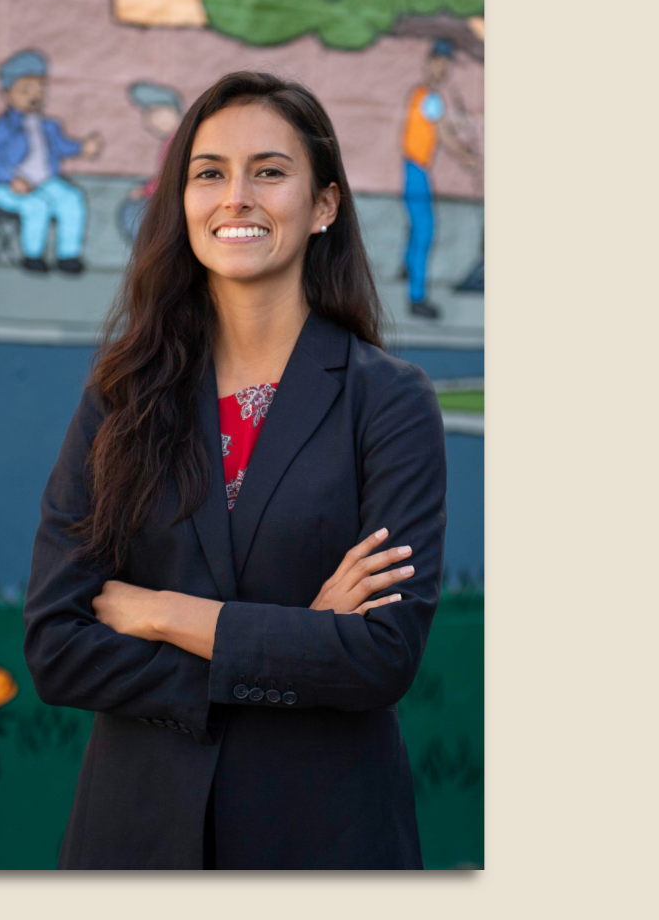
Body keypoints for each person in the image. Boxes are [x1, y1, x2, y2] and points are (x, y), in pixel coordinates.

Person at [23, 72, 448, 869]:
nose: (236, 197)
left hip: (322, 840)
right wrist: (298, 640)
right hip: (137, 841)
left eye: (270, 171)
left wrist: (161, 612)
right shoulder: (122, 396)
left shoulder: (389, 402)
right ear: (182, 201)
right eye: (209, 172)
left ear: (323, 205)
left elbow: (381, 655)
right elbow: (57, 645)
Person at [0, 49, 104, 274]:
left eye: (40, 89)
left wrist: (83, 148)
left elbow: (60, 147)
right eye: (25, 90)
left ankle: (68, 255)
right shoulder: (0, 129)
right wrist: (11, 178)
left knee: (72, 198)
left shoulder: (48, 126)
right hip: (6, 186)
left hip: (44, 181)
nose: (34, 96)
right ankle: (32, 256)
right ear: (7, 93)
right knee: (37, 206)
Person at [398, 39, 482, 319]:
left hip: (415, 169)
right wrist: (470, 160)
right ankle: (417, 297)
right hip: (416, 170)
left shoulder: (426, 96)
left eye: (446, 64)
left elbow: (440, 124)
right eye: (439, 62)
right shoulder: (429, 97)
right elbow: (444, 135)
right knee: (425, 230)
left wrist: (459, 127)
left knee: (417, 227)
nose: (443, 69)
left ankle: (407, 268)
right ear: (429, 63)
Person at [117, 80, 184, 247]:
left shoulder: (177, 141)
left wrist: (146, 191)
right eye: (147, 113)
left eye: (156, 112)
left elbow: (171, 179)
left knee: (134, 213)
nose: (150, 119)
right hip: (170, 199)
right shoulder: (173, 139)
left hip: (174, 202)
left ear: (173, 111)